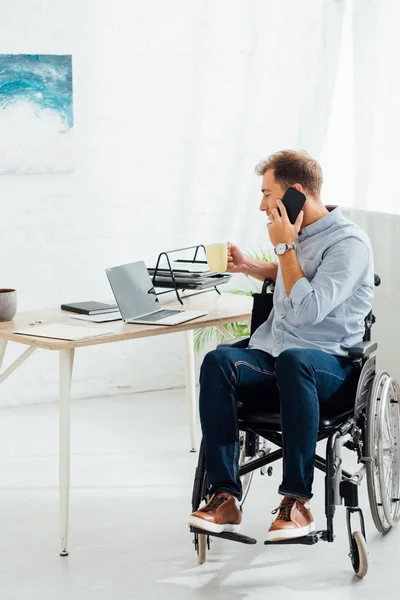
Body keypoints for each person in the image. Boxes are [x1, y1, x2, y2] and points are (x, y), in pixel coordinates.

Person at [188, 149, 374, 541]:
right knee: (218, 361)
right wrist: (254, 267)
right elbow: (298, 276)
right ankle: (224, 496)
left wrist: (284, 247)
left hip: (329, 367)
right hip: (278, 358)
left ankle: (297, 501)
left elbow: (308, 309)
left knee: (294, 361)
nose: (261, 205)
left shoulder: (349, 244)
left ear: (293, 192)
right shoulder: (301, 234)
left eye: (266, 193)